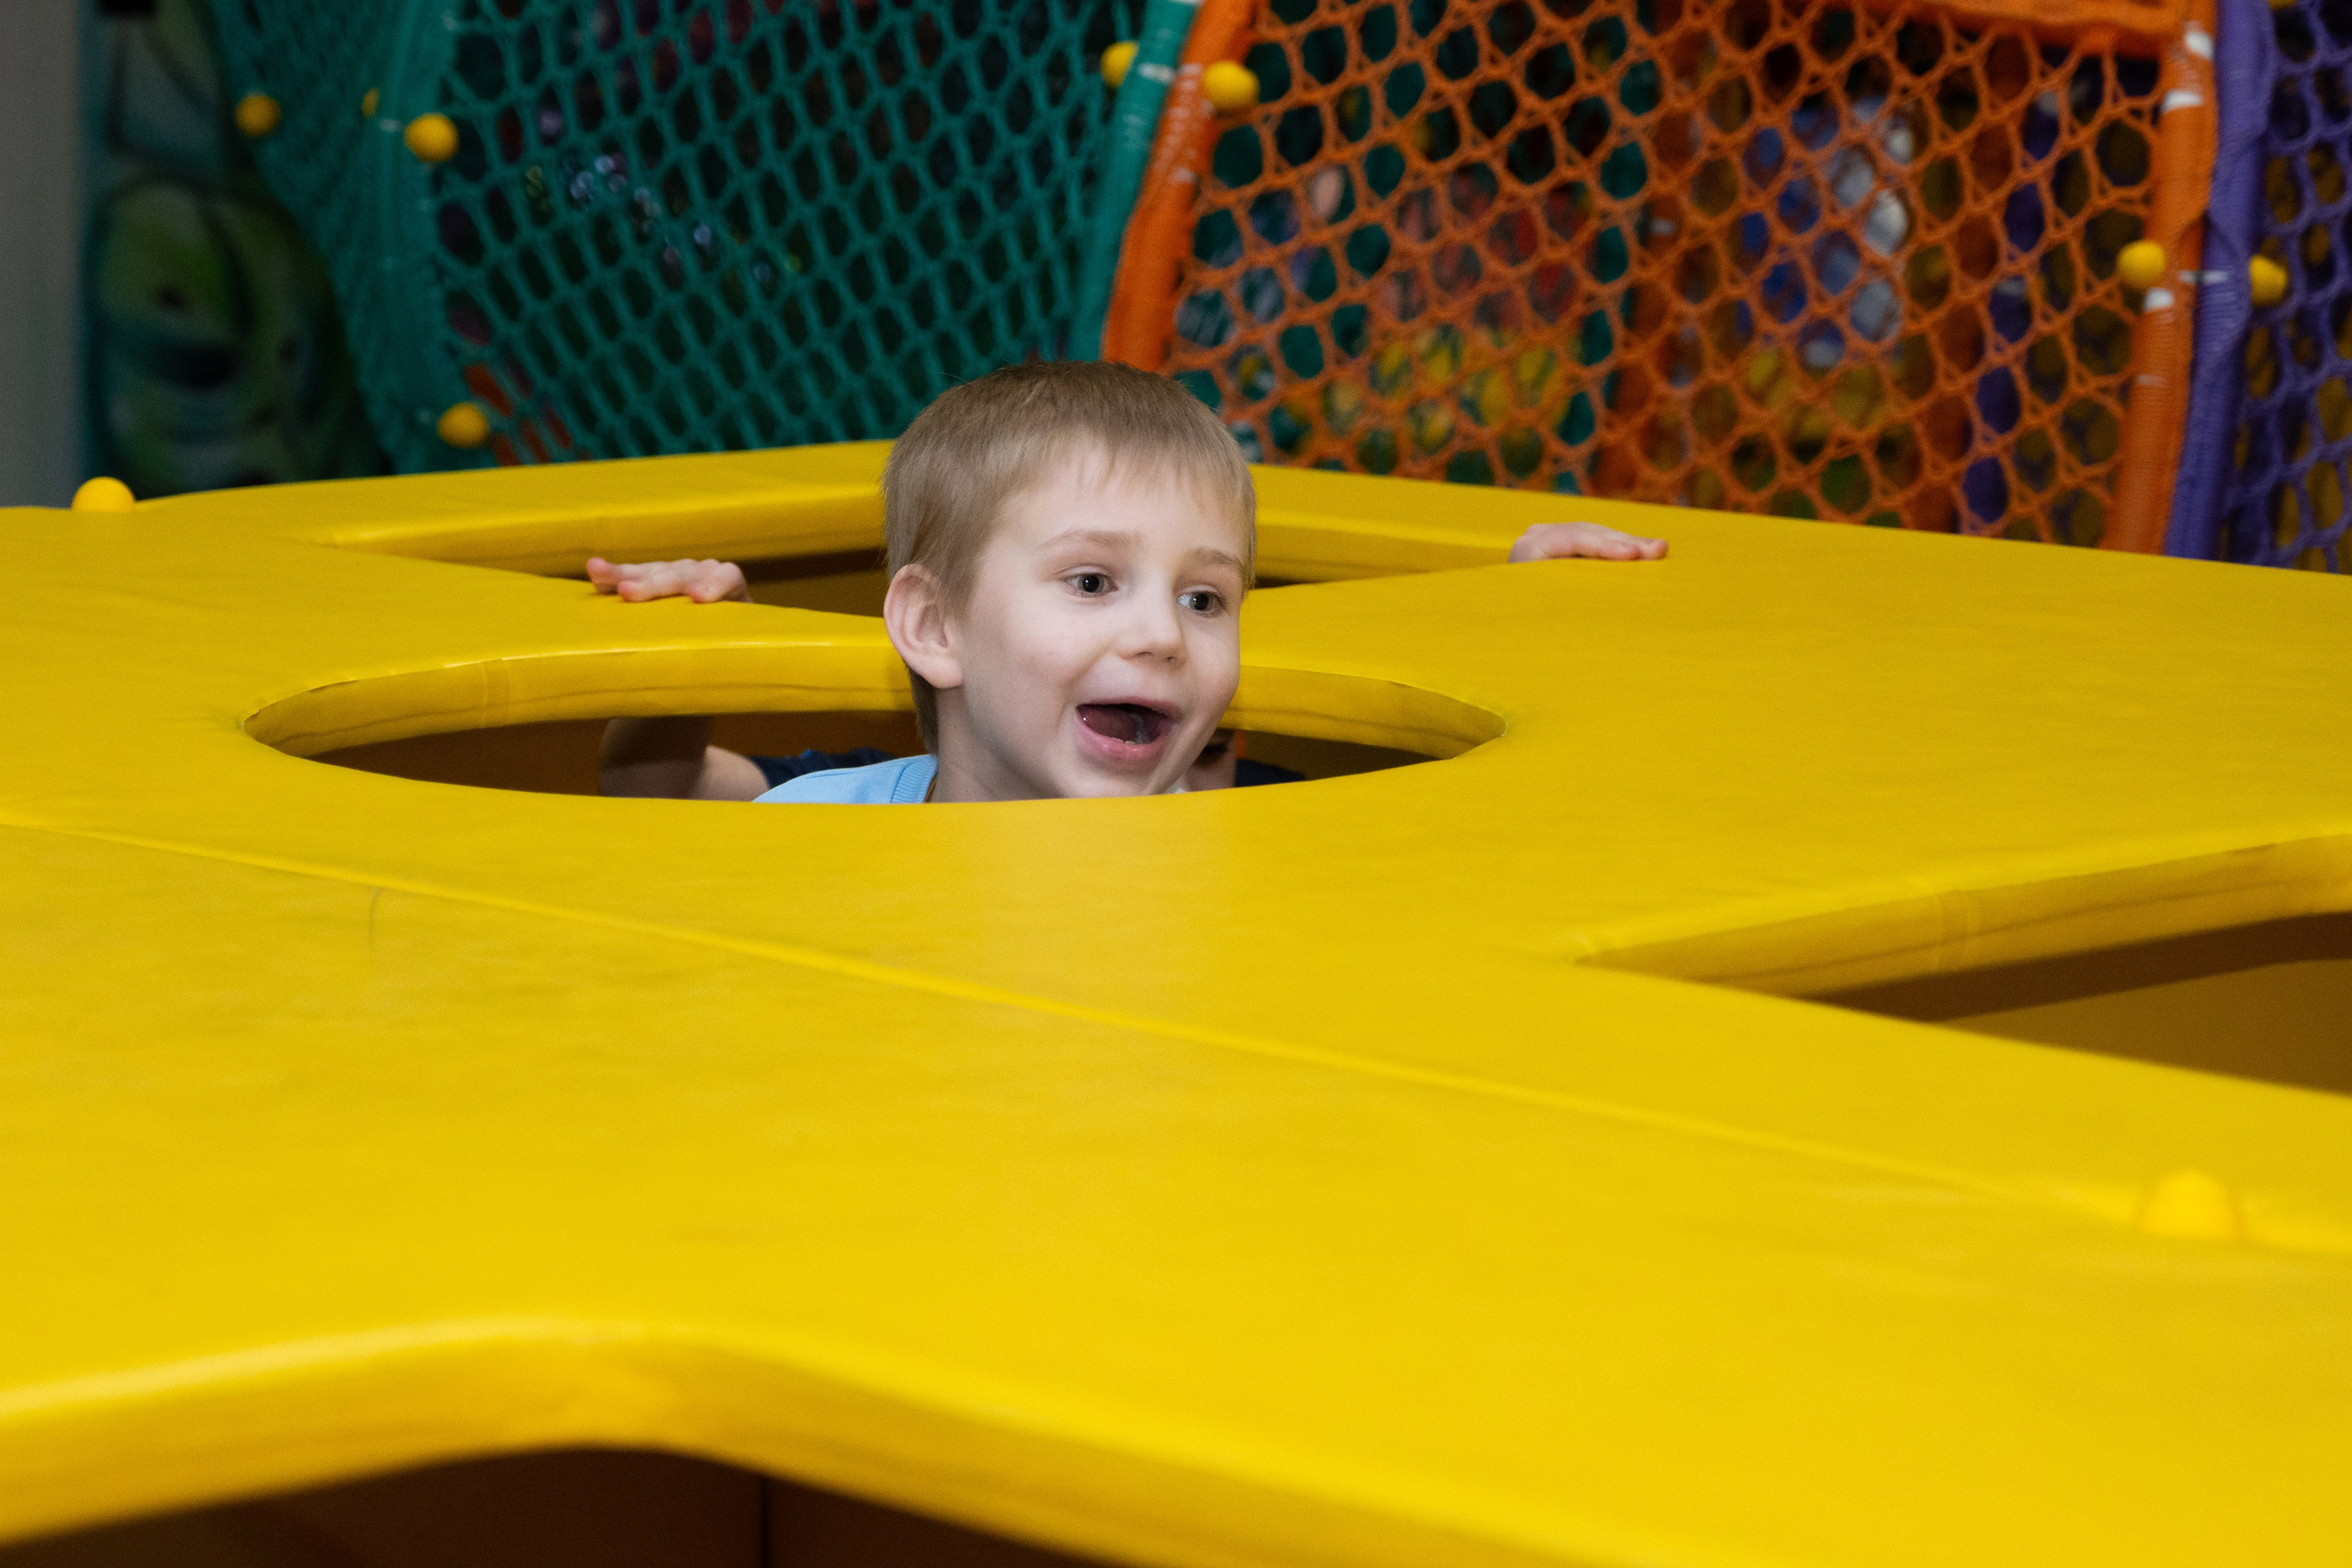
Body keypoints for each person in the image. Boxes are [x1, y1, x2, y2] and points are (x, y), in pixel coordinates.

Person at [594, 363, 1667, 802]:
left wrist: (1523, 623)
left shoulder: (1272, 827)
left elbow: (1492, 835)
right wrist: (692, 654)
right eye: (1093, 581)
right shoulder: (839, 813)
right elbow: (657, 802)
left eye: (1205, 599)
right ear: (935, 625)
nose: (1162, 635)